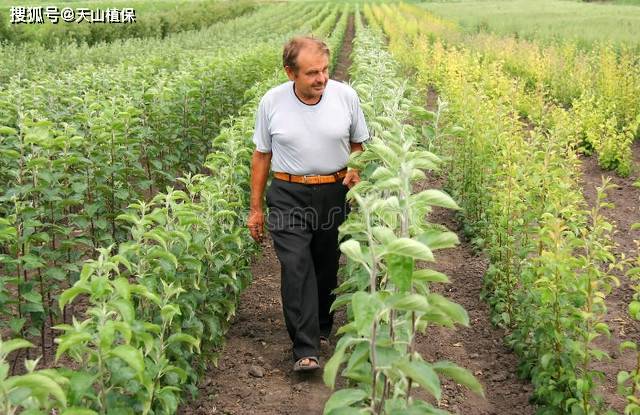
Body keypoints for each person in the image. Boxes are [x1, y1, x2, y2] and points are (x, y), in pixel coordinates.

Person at [248, 36, 369, 372]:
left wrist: (356, 167)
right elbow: (261, 156)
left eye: (325, 70)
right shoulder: (272, 102)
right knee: (296, 264)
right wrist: (256, 208)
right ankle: (305, 347)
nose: (321, 79)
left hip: (333, 191)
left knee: (326, 263)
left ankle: (320, 326)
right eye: (312, 73)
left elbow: (360, 145)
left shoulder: (345, 97)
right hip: (288, 192)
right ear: (291, 73)